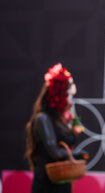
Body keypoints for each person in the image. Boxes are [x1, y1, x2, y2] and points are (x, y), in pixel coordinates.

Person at [25, 63, 87, 193]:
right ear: (59, 95)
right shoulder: (43, 118)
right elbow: (55, 152)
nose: (70, 98)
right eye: (67, 94)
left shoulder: (61, 120)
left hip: (62, 178)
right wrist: (76, 154)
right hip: (48, 180)